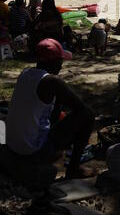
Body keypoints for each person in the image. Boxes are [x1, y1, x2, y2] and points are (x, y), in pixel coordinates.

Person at [6, 38, 95, 179]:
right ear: (53, 62)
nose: (61, 65)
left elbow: (50, 112)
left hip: (13, 145)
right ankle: (73, 168)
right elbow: (80, 108)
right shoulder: (52, 81)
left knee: (59, 115)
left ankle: (51, 153)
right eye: (60, 61)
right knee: (88, 115)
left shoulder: (25, 73)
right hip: (32, 150)